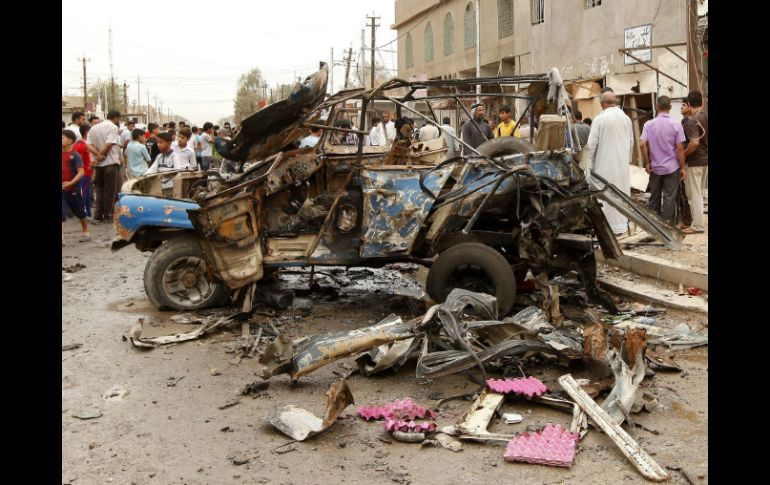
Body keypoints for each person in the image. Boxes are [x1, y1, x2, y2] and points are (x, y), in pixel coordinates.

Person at [586, 91, 633, 235]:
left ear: (602, 103)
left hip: (604, 168)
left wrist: (586, 167)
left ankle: (609, 229)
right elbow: (631, 143)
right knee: (621, 195)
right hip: (622, 167)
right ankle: (623, 226)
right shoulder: (626, 119)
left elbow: (591, 145)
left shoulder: (600, 119)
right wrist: (626, 161)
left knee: (606, 198)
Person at [639, 95, 686, 225]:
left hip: (655, 167)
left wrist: (647, 162)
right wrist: (682, 167)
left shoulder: (648, 124)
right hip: (672, 167)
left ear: (657, 106)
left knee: (654, 198)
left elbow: (642, 144)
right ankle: (668, 227)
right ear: (670, 107)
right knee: (669, 198)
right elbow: (680, 148)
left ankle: (655, 227)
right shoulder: (676, 124)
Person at [679, 91, 708, 234]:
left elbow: (694, 142)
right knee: (700, 192)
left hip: (695, 161)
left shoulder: (692, 120)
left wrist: (683, 154)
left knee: (693, 193)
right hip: (705, 161)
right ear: (702, 102)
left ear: (689, 104)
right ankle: (697, 221)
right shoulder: (705, 117)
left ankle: (697, 225)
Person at [87, 110, 122, 222]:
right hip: (110, 162)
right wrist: (101, 154)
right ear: (116, 118)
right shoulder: (113, 127)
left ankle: (98, 214)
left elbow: (88, 144)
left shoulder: (94, 127)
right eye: (118, 119)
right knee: (110, 190)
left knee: (100, 189)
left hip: (99, 164)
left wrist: (97, 155)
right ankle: (108, 214)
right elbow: (109, 144)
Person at [62, 130, 90, 245]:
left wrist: (71, 182)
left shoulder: (75, 155)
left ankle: (86, 230)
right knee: (62, 213)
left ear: (70, 141)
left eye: (63, 137)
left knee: (79, 211)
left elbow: (81, 172)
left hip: (73, 189)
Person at [74, 125, 93, 218]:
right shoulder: (81, 145)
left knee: (85, 193)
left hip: (86, 173)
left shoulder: (82, 143)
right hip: (84, 173)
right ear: (87, 132)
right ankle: (85, 214)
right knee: (84, 194)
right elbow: (78, 161)